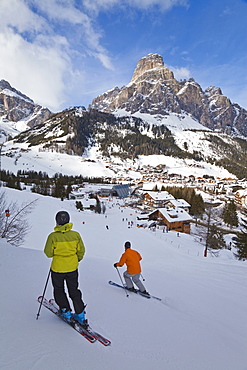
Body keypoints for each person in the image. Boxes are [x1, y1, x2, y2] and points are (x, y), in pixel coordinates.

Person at [44, 211, 86, 325]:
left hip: (58, 268)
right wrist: (76, 259)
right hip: (72, 268)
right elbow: (81, 251)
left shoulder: (53, 236)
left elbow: (48, 253)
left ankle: (66, 311)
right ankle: (80, 314)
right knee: (74, 290)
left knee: (59, 289)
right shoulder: (75, 235)